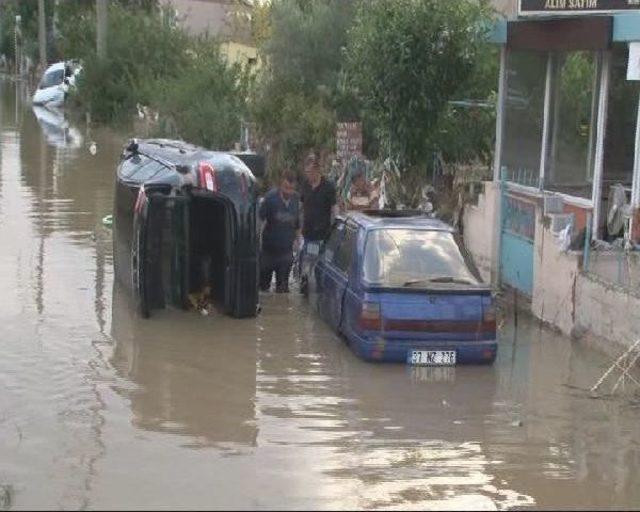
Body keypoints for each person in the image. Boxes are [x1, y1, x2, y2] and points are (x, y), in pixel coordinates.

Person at [298, 151, 337, 294]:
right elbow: (300, 207)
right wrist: (297, 229)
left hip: (323, 234)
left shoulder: (328, 187)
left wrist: (335, 228)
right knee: (305, 265)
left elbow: (334, 209)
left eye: (310, 172)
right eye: (306, 172)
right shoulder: (305, 185)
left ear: (317, 170)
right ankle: (305, 286)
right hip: (307, 234)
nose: (308, 175)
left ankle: (320, 291)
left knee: (320, 266)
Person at [259, 171, 300, 293]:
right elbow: (260, 221)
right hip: (268, 252)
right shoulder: (270, 199)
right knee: (263, 289)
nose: (289, 192)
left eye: (292, 189)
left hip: (286, 253)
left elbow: (297, 223)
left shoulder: (296, 199)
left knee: (283, 292)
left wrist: (298, 242)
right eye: (286, 188)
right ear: (280, 185)